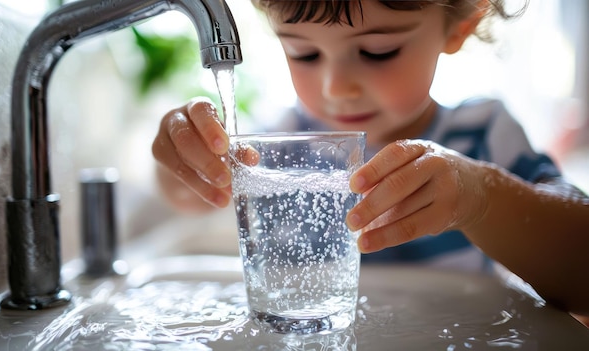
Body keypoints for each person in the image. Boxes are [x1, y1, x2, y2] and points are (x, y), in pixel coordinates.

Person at [151, 1, 589, 318]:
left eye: (378, 51)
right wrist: (187, 157)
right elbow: (189, 195)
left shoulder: (483, 132)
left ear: (457, 27)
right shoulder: (278, 151)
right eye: (304, 53)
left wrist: (480, 197)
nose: (336, 86)